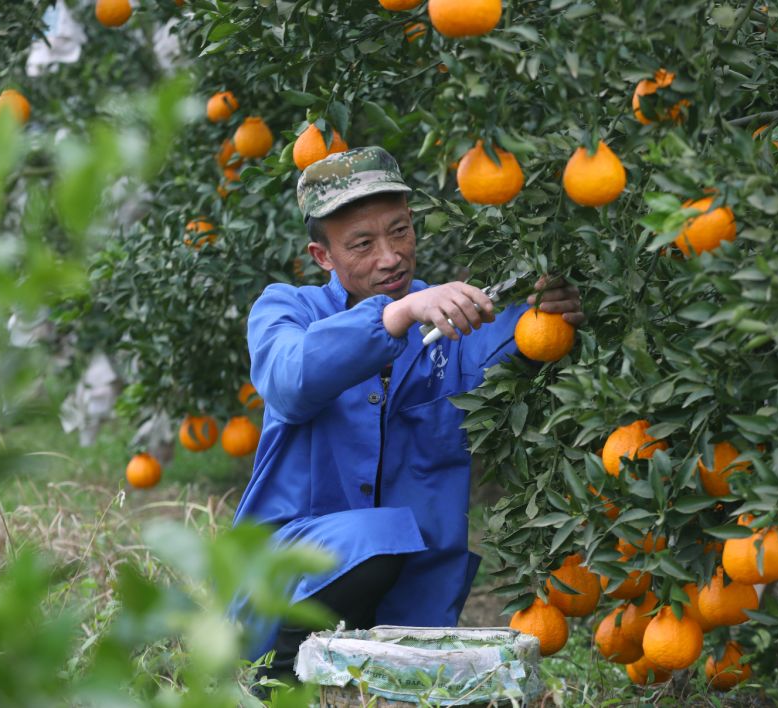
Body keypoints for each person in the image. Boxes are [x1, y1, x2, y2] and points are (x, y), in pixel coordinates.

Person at [231, 146, 584, 676]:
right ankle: (276, 675)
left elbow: (525, 348)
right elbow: (289, 382)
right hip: (285, 579)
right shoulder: (286, 310)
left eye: (399, 231)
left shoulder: (452, 321)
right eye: (362, 244)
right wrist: (396, 315)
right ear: (323, 256)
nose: (390, 256)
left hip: (411, 611)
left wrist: (552, 310)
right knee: (377, 535)